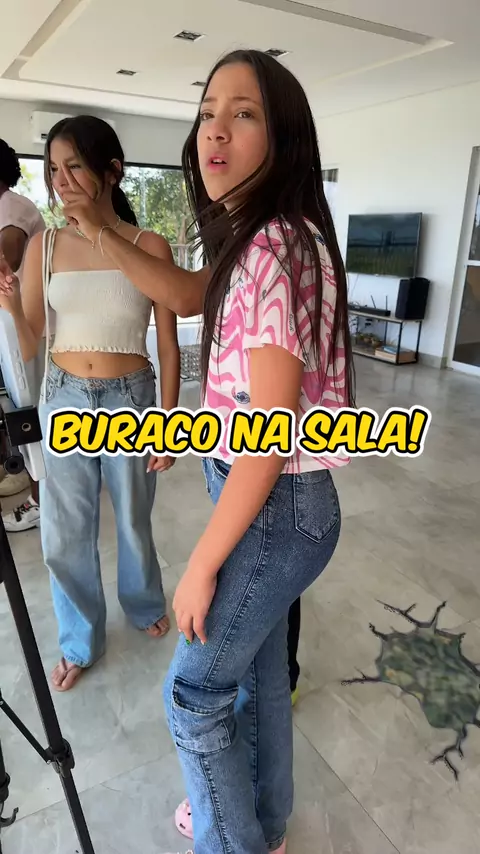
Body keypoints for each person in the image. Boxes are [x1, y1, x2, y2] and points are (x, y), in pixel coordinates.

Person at [44, 50, 355, 854]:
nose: (215, 129)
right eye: (208, 111)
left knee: (192, 695)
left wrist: (202, 564)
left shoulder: (272, 249)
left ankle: (232, 839)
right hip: (283, 503)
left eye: (243, 113)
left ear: (283, 137)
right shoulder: (268, 235)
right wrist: (99, 229)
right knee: (256, 675)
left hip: (275, 504)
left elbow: (270, 431)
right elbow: (185, 294)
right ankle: (265, 826)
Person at [0, 115, 180, 693]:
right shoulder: (44, 245)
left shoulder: (148, 245)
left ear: (112, 170)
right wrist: (8, 304)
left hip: (133, 398)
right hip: (64, 396)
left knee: (132, 517)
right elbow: (32, 338)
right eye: (54, 168)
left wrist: (171, 423)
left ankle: (143, 601)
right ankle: (80, 639)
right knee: (65, 528)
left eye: (74, 165)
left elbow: (169, 346)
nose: (61, 180)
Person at [0, 138, 45, 530]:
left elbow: (8, 257)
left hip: (23, 327)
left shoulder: (12, 207)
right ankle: (35, 485)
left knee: (28, 413)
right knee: (21, 411)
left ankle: (39, 500)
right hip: (13, 326)